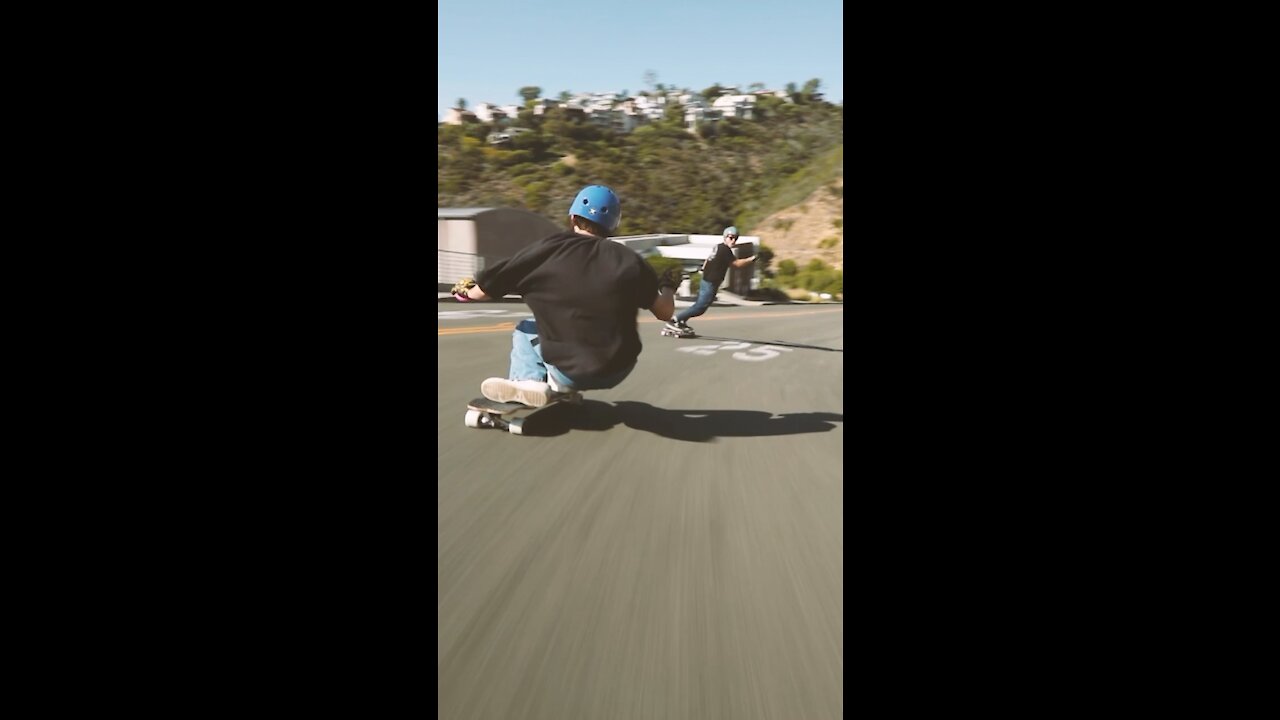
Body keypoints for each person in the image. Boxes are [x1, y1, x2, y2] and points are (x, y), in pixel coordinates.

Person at [452, 184, 681, 407]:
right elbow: (665, 313)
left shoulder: (546, 250)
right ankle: (559, 388)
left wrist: (465, 291)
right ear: (613, 225)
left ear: (572, 217)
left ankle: (529, 382)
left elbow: (481, 292)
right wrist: (669, 286)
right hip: (619, 370)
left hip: (569, 372)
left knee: (525, 329)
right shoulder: (631, 261)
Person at [664, 225, 757, 335]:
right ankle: (675, 320)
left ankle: (681, 321)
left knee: (700, 306)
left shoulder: (718, 247)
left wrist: (703, 269)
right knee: (700, 307)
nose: (733, 240)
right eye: (731, 237)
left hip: (708, 280)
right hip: (710, 282)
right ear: (725, 237)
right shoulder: (725, 250)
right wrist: (752, 259)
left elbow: (708, 259)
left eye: (735, 238)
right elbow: (737, 264)